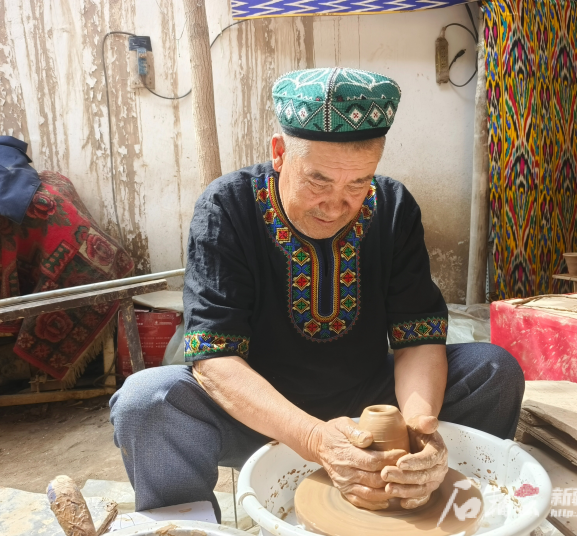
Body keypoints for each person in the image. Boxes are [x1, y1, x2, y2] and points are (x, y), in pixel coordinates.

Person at [110, 67, 524, 519]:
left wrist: (420, 428)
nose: (336, 205)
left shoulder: (392, 207)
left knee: (493, 371)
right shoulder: (227, 207)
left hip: (367, 402)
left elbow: (418, 337)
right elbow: (215, 360)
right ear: (279, 152)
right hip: (257, 411)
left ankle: (432, 498)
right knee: (147, 402)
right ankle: (189, 531)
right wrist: (313, 438)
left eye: (357, 184)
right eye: (319, 181)